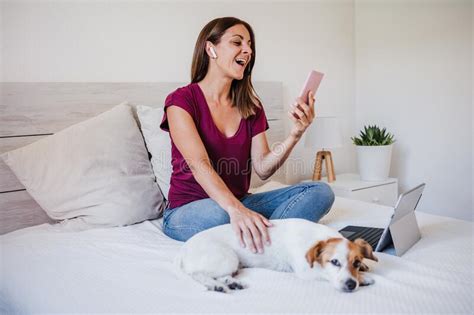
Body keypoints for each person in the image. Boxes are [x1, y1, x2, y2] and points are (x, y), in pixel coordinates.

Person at [160, 17, 335, 254]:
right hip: (188, 210)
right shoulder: (180, 101)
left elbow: (263, 168)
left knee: (320, 192)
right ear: (210, 48)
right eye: (237, 42)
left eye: (249, 44)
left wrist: (296, 133)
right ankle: (279, 236)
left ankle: (265, 241)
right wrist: (235, 210)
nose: (248, 50)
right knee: (222, 215)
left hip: (240, 201)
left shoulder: (250, 106)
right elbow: (199, 166)